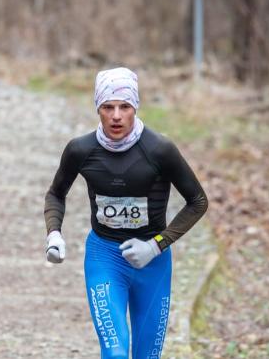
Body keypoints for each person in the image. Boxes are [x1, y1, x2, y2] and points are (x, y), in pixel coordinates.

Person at [43, 67, 209, 359]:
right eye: (108, 107)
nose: (116, 116)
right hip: (104, 257)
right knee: (116, 352)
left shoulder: (160, 150)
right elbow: (56, 193)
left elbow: (197, 201)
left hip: (153, 263)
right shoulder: (80, 150)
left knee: (147, 356)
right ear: (98, 109)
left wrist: (156, 245)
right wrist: (54, 233)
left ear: (136, 108)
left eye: (125, 107)